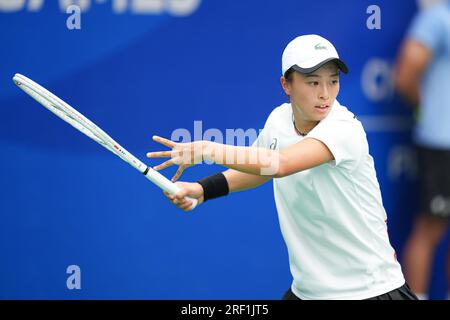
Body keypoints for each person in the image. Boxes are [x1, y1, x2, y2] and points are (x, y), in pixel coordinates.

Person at [147, 34, 418, 300]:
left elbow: (280, 164)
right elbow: (257, 167)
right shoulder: (279, 119)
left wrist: (208, 149)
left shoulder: (344, 129)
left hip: (370, 291)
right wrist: (203, 189)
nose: (325, 94)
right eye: (313, 82)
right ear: (286, 85)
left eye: (333, 82)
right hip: (309, 292)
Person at [394, 0, 450, 300]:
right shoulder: (437, 19)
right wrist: (424, 111)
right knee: (430, 229)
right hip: (442, 144)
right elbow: (405, 75)